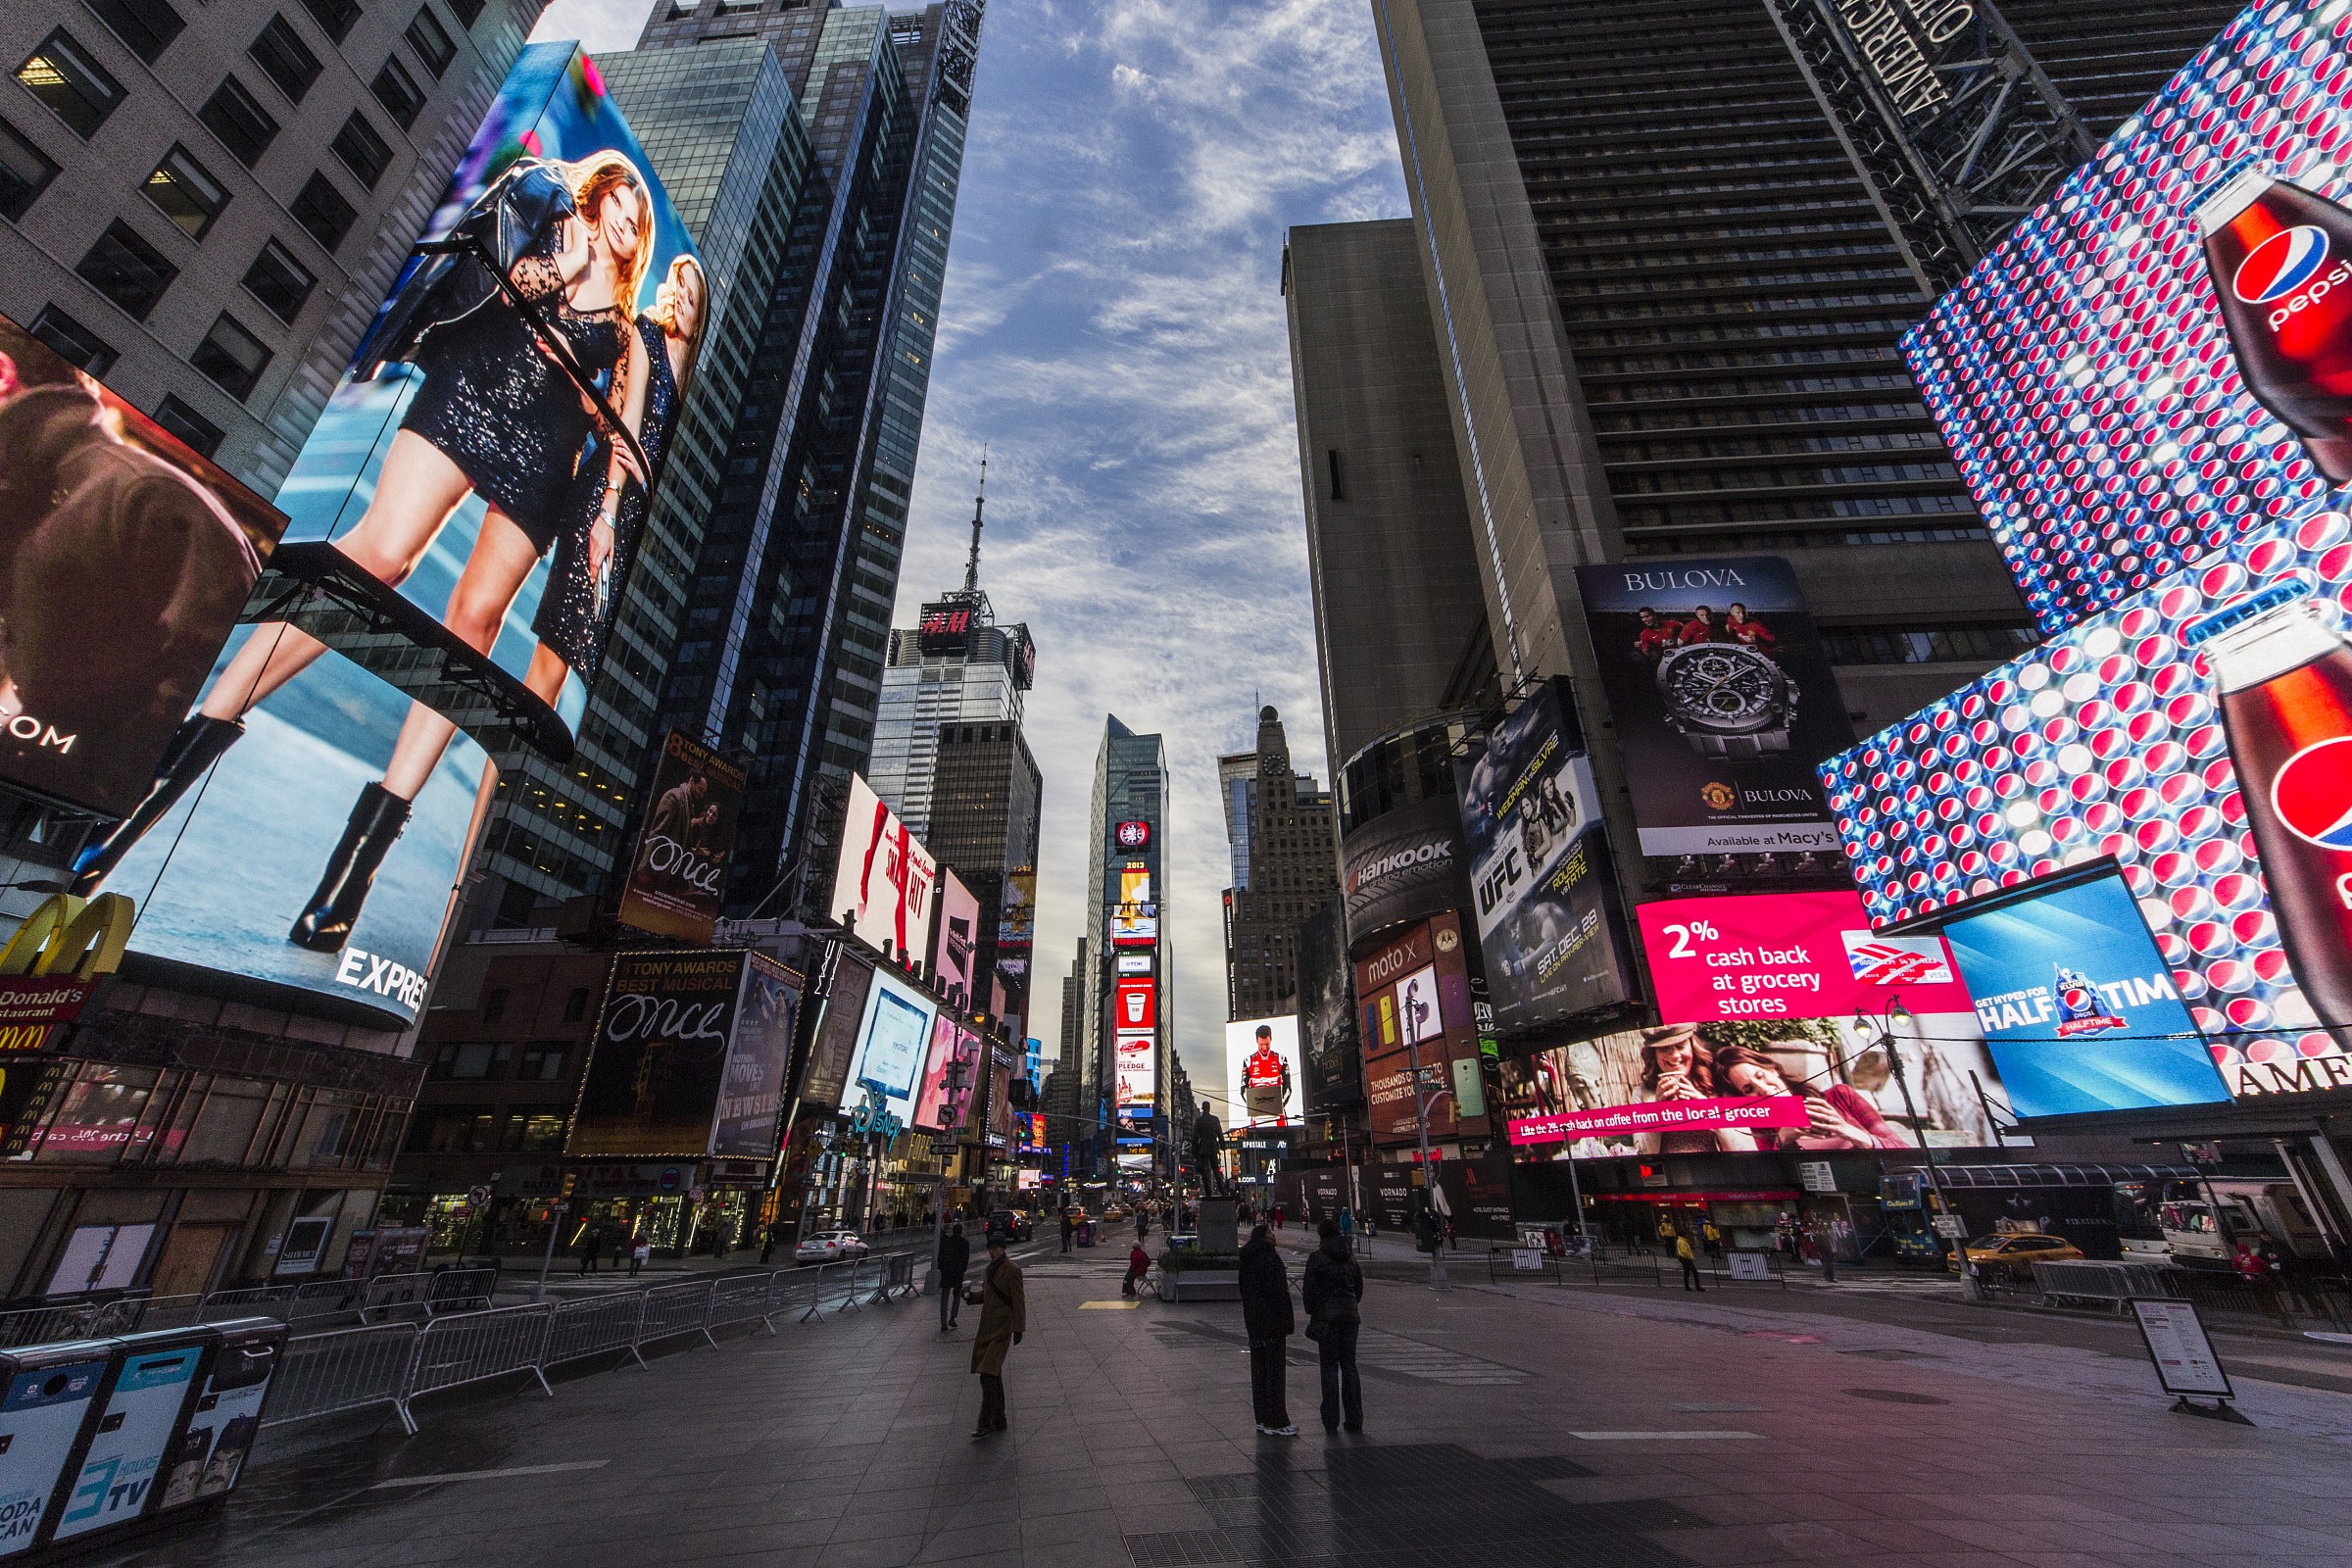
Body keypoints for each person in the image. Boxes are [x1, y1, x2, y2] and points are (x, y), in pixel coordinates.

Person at [70, 154, 658, 947]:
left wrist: (605, 511)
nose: (625, 223)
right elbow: (502, 283)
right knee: (378, 556)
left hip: (545, 455)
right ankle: (151, 789)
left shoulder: (629, 336)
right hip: (474, 390)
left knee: (475, 627)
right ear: (597, 200)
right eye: (619, 205)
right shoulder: (555, 227)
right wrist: (569, 263)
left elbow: (619, 439)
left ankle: (352, 877)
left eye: (637, 221)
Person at [0, 322, 264, 814]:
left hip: (63, 799)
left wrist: (92, 782)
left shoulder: (144, 495)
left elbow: (194, 670)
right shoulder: (34, 495)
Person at [1711, 1045, 1909, 1151]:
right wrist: (1783, 1142)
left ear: (1773, 1069)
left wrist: (1848, 1131)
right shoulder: (1760, 1131)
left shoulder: (1840, 1096)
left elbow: (1902, 1150)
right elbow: (1773, 1183)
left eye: (1760, 1075)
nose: (1762, 1089)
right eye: (1749, 1089)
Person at [1301, 1219, 1363, 1435]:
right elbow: (1358, 1288)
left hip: (1327, 1318)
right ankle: (1355, 1419)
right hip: (1350, 1316)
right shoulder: (1350, 1256)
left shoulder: (1317, 1257)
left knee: (1328, 1367)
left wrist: (1313, 1310)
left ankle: (1330, 1421)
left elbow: (1309, 1290)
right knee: (1349, 1366)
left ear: (1320, 1235)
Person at [1238, 1223, 1297, 1436]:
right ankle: (1277, 1421)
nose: (1273, 1235)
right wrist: (1286, 1319)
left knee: (1259, 1370)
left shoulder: (1247, 1259)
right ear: (1263, 1237)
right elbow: (1278, 1292)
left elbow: (1244, 1290)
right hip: (1272, 1321)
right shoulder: (1270, 1259)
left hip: (1254, 1321)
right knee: (1275, 1371)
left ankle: (1262, 1418)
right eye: (1270, 1232)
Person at [969, 1236, 1025, 1439]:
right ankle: (1000, 1419)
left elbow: (1018, 1301)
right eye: (990, 1249)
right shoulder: (988, 1270)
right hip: (987, 1328)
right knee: (993, 1375)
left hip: (1002, 1330)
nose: (991, 1252)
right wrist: (970, 1297)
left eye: (995, 1249)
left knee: (987, 1376)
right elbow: (987, 1295)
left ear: (1003, 1249)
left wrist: (1018, 1328)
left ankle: (985, 1422)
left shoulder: (1012, 1270)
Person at [938, 1220, 971, 1331]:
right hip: (958, 1273)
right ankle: (952, 1317)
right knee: (957, 1295)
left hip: (946, 1272)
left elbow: (940, 1258)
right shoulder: (964, 1243)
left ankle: (943, 1323)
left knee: (944, 1298)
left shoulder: (946, 1242)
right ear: (961, 1231)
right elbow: (965, 1260)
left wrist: (941, 1269)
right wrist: (962, 1270)